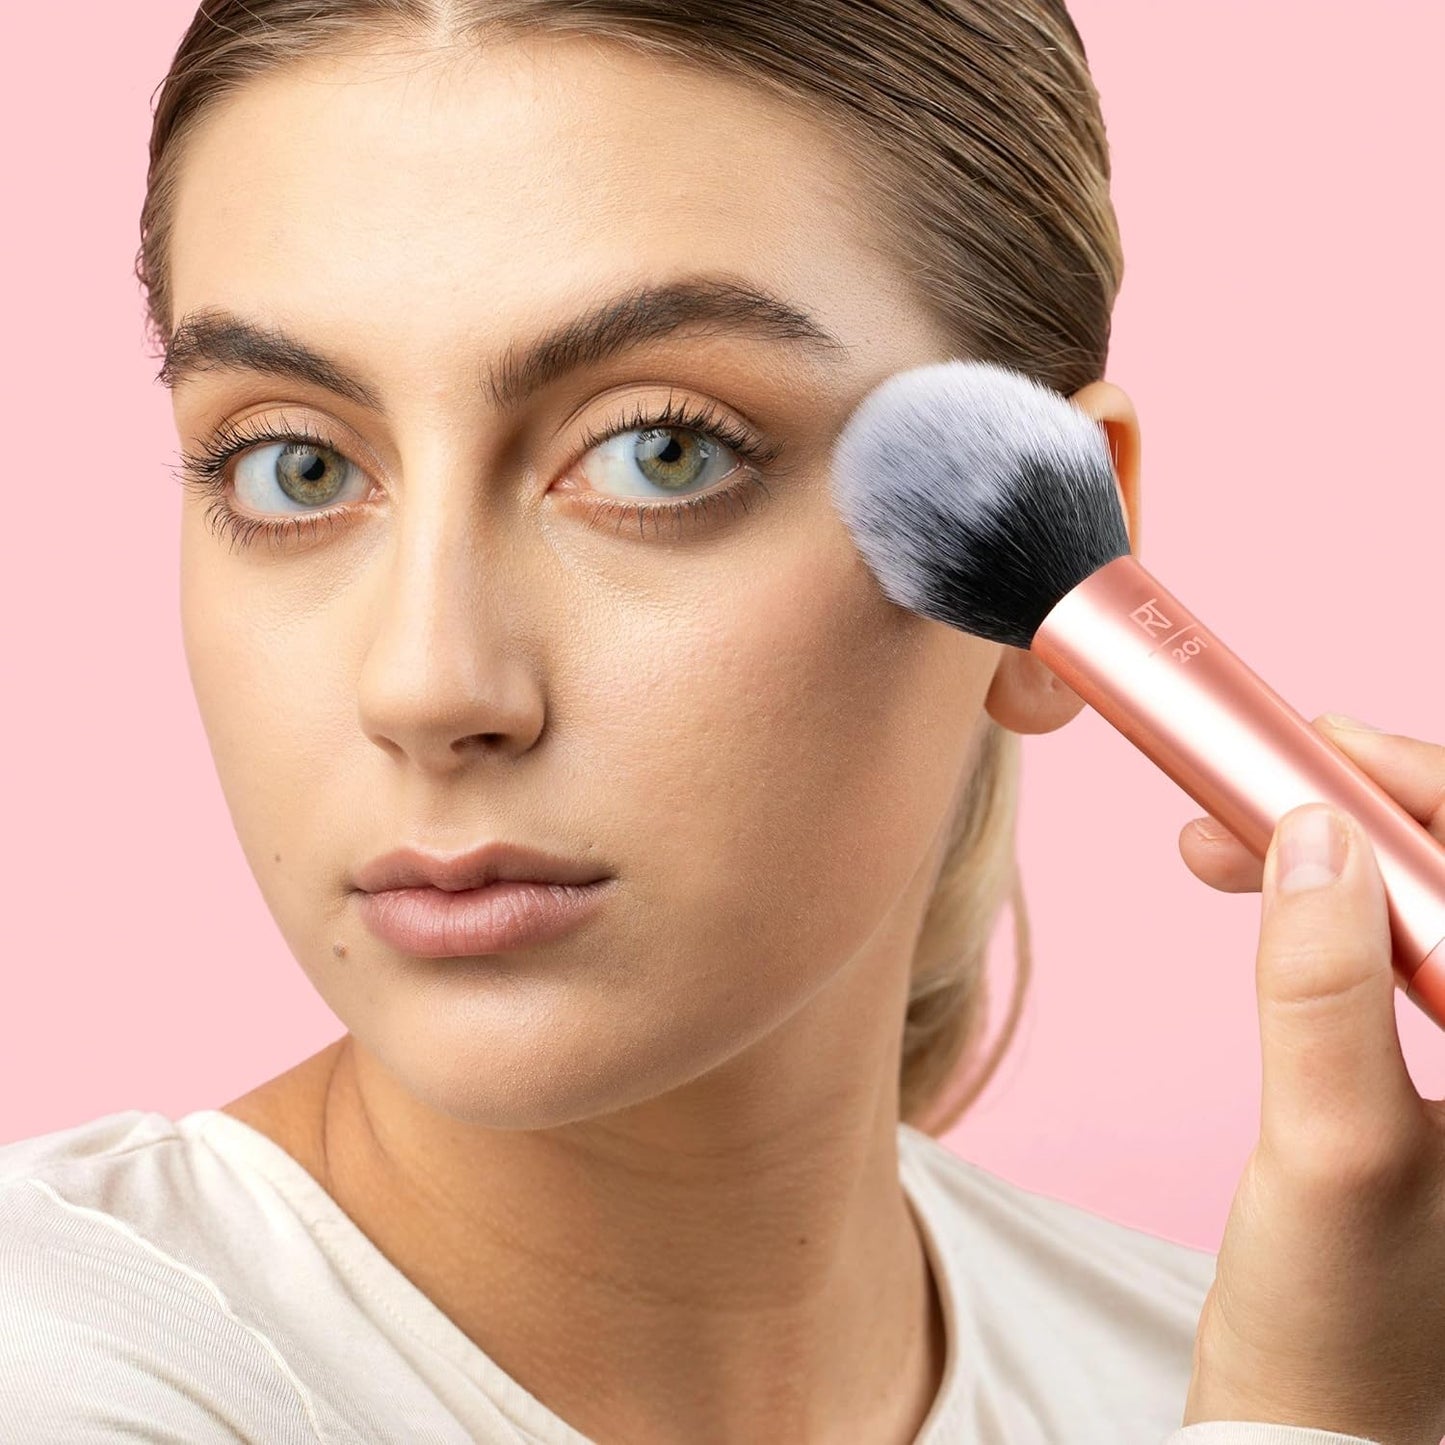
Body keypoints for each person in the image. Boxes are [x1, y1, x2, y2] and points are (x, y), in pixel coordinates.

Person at [4, 3, 1442, 1442]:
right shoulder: (58, 1372)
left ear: (1075, 542)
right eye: (294, 466)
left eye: (662, 449)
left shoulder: (1241, 1351)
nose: (428, 686)